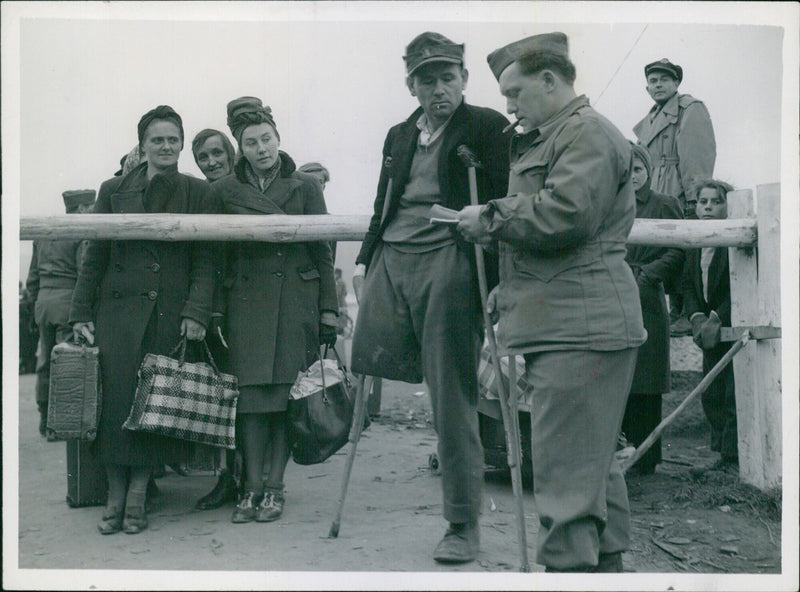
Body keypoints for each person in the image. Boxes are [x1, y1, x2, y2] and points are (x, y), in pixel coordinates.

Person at [456, 32, 646, 572]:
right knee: (592, 469)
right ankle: (605, 572)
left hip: (580, 329)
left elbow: (566, 215)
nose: (508, 105)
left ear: (549, 79)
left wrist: (490, 218)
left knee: (565, 478)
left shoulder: (584, 133)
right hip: (575, 323)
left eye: (515, 91)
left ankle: (571, 574)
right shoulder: (555, 136)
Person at [350, 32, 510, 564]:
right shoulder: (399, 133)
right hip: (391, 259)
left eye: (447, 77)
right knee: (366, 365)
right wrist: (363, 261)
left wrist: (496, 278)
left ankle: (462, 524)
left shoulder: (488, 126)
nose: (438, 88)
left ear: (463, 78)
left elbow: (503, 205)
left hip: (449, 261)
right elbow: (383, 202)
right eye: (427, 79)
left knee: (451, 394)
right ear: (411, 85)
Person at [70, 105, 219, 535]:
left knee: (153, 406)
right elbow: (94, 254)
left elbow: (206, 260)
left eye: (174, 139)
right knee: (116, 405)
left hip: (168, 315)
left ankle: (137, 495)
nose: (167, 147)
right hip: (116, 314)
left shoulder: (198, 193)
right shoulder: (113, 188)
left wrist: (196, 312)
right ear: (143, 145)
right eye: (158, 140)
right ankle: (115, 493)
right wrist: (80, 312)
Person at [210, 96, 338, 524]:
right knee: (249, 402)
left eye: (267, 139)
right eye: (251, 143)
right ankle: (250, 488)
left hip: (294, 306)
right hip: (244, 305)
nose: (261, 149)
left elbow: (324, 251)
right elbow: (216, 257)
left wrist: (328, 311)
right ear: (239, 148)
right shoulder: (223, 191)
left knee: (286, 399)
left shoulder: (305, 187)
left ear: (278, 138)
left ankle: (275, 489)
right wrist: (214, 311)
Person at [633, 58, 716, 337]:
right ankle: (672, 310)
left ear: (676, 83)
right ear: (647, 88)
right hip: (655, 190)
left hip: (678, 189)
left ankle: (685, 312)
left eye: (664, 80)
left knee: (684, 248)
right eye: (653, 81)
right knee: (659, 248)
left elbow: (697, 153)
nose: (658, 85)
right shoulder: (650, 118)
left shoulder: (689, 109)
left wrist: (694, 197)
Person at [621, 143, 685, 475]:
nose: (632, 176)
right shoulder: (610, 203)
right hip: (613, 294)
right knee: (618, 375)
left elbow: (678, 249)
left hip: (646, 297)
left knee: (645, 379)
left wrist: (647, 275)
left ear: (647, 171)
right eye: (626, 169)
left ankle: (646, 459)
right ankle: (618, 453)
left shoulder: (664, 204)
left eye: (637, 169)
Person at [189, 128, 241, 510]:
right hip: (215, 303)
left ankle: (242, 477)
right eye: (203, 157)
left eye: (216, 154)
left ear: (230, 153)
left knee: (240, 394)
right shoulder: (204, 195)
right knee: (220, 392)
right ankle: (227, 476)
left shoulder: (240, 189)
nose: (211, 162)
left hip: (242, 300)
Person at [26, 189, 96, 435]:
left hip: (44, 304)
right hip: (68, 303)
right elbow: (83, 273)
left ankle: (44, 418)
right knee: (67, 362)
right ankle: (63, 420)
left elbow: (32, 278)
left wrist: (36, 305)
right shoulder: (79, 233)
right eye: (90, 206)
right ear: (80, 209)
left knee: (44, 361)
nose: (93, 209)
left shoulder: (44, 235)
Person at [682, 180, 738, 469]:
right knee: (711, 389)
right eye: (702, 202)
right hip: (707, 328)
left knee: (732, 391)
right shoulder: (695, 241)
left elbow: (737, 287)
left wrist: (718, 316)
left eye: (716, 202)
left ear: (728, 206)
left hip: (730, 326)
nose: (707, 207)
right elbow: (688, 285)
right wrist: (697, 317)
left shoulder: (734, 240)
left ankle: (733, 456)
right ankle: (720, 450)